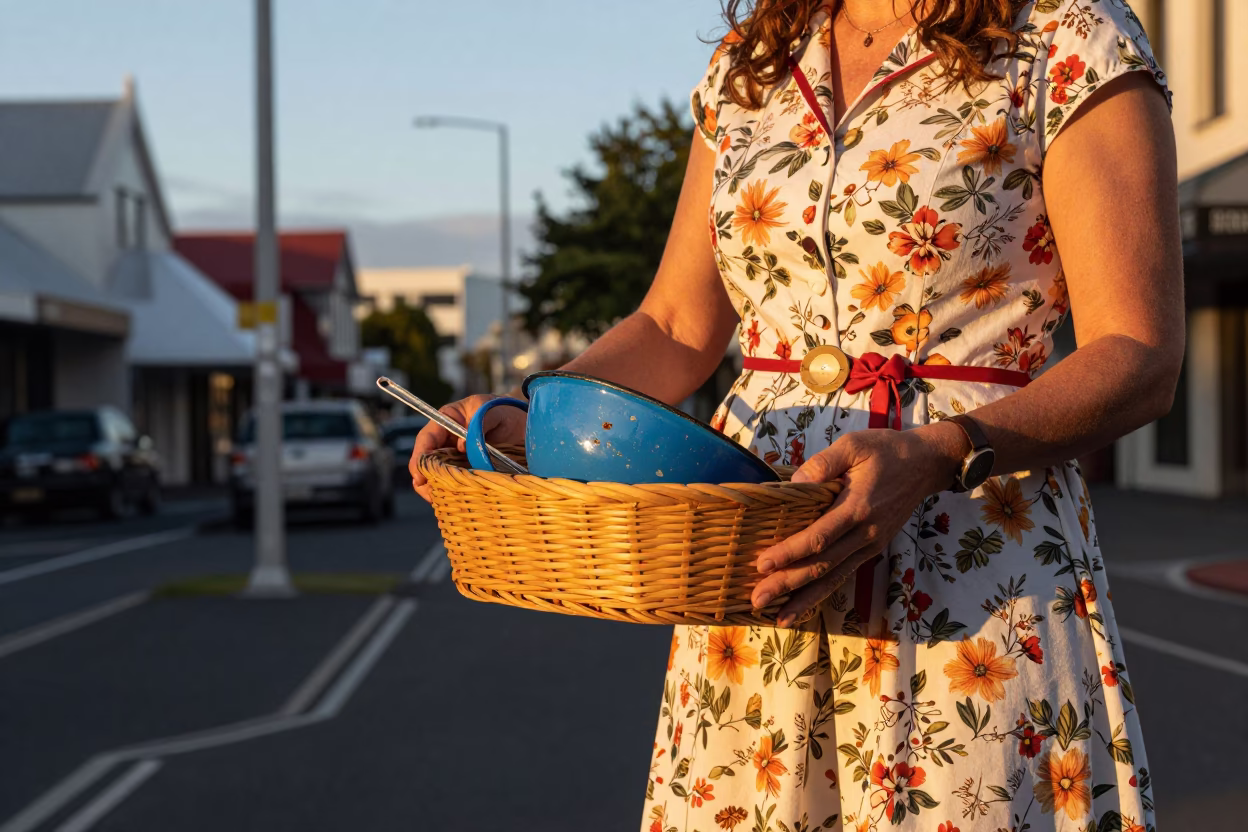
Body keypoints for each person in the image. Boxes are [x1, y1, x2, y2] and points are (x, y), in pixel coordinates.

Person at [411, 0, 1181, 828]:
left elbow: (1139, 350)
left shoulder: (1065, 34)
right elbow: (674, 325)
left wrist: (944, 449)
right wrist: (537, 410)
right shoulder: (754, 62)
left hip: (970, 561)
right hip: (756, 566)